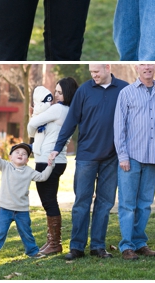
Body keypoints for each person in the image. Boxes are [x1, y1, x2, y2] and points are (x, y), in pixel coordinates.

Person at [51, 64, 129, 259]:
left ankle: (97, 246)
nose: (93, 75)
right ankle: (76, 247)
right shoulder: (84, 90)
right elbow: (71, 121)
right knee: (81, 203)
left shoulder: (124, 89)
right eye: (91, 72)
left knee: (105, 203)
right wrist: (56, 148)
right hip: (86, 156)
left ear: (107, 68)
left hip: (112, 157)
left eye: (96, 72)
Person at [0, 136, 54, 261]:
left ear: (27, 160)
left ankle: (33, 252)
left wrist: (50, 166)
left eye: (24, 154)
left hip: (22, 210)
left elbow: (43, 177)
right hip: (5, 209)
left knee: (26, 233)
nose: (20, 154)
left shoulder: (29, 171)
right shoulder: (5, 166)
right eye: (17, 152)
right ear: (10, 157)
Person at [113, 63, 155, 260]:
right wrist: (122, 156)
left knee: (145, 204)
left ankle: (140, 242)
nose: (147, 67)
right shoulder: (126, 93)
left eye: (150, 64)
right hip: (131, 157)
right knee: (127, 204)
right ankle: (126, 245)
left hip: (153, 158)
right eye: (143, 64)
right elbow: (119, 127)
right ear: (136, 67)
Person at [28, 78, 77, 255]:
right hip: (56, 160)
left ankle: (55, 243)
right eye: (55, 92)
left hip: (48, 160)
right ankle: (52, 242)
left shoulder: (58, 109)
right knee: (49, 200)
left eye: (60, 92)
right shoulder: (70, 110)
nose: (56, 95)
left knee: (48, 201)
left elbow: (31, 126)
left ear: (68, 93)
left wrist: (35, 117)